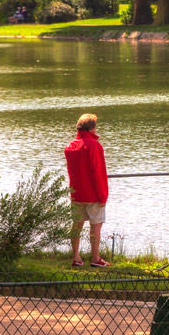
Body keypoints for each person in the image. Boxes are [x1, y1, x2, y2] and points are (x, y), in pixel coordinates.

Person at [64, 113, 111, 267]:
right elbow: (98, 172)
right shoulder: (94, 146)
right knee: (96, 225)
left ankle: (76, 258)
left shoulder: (70, 146)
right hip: (93, 193)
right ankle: (95, 259)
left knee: (76, 224)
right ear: (91, 128)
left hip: (76, 193)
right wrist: (103, 196)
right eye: (95, 126)